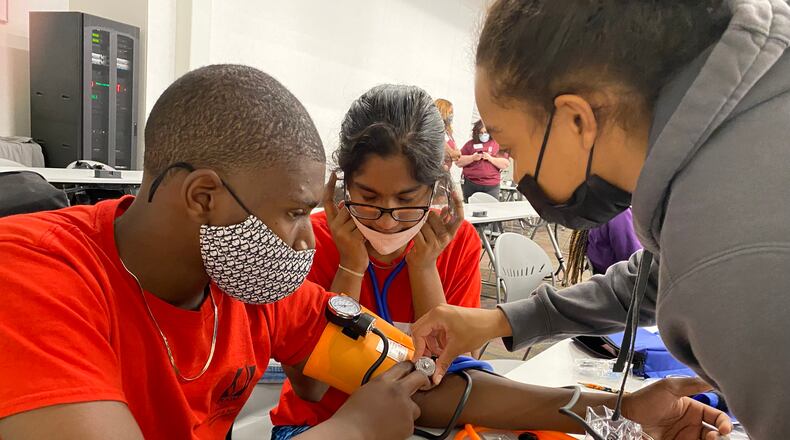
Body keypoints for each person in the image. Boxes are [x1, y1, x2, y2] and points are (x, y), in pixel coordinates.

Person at [0, 64, 733, 440]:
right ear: (204, 199)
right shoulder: (32, 274)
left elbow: (424, 379)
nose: (302, 240)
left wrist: (615, 407)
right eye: (293, 215)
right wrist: (348, 432)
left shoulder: (254, 283)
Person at [411, 1, 790, 437]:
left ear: (576, 120)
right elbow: (656, 278)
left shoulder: (733, 254)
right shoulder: (745, 131)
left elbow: (696, 272)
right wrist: (500, 320)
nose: (514, 172)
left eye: (510, 146)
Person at [270, 85, 483, 438]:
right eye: (368, 197)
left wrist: (424, 268)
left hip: (423, 425)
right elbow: (312, 389)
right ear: (342, 185)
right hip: (319, 426)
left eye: (406, 198)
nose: (386, 220)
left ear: (435, 188)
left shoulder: (457, 243)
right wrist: (350, 268)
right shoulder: (311, 240)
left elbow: (451, 371)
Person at [566, 208, 642, 284]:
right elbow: (636, 262)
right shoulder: (619, 214)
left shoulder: (600, 209)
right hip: (622, 284)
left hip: (608, 282)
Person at [456, 119, 510, 201]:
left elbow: (505, 164)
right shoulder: (470, 144)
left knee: (491, 209)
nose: (483, 135)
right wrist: (472, 158)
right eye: (481, 133)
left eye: (486, 132)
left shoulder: (497, 144)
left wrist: (491, 159)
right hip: (471, 184)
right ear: (476, 133)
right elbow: (458, 162)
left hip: (491, 186)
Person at [434, 98, 461, 168]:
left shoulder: (448, 132)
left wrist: (453, 154)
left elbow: (457, 155)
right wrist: (452, 154)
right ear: (442, 112)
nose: (452, 115)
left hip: (445, 171)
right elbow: (453, 154)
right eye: (450, 112)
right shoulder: (435, 131)